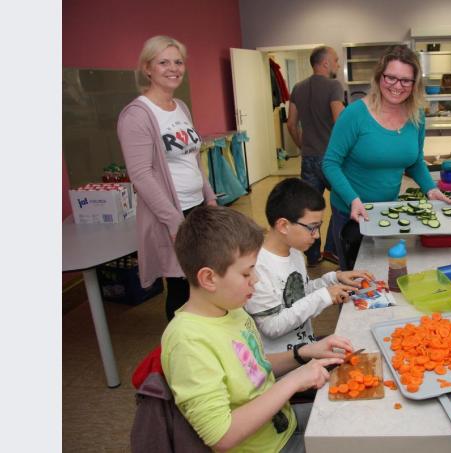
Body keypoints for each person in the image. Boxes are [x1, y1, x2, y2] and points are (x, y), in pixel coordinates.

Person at [161, 205, 353, 452]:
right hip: (267, 448)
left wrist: (306, 352)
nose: (257, 280)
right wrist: (292, 382)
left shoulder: (232, 309)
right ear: (209, 278)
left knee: (360, 419)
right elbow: (221, 436)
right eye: (246, 273)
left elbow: (254, 366)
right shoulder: (187, 341)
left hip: (283, 425)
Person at [322, 45, 451, 269]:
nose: (397, 86)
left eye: (405, 80)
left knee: (385, 271)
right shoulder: (354, 115)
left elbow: (415, 161)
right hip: (351, 212)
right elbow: (330, 163)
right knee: (356, 279)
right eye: (390, 77)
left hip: (387, 211)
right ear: (379, 76)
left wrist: (431, 189)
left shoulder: (416, 115)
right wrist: (353, 199)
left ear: (414, 83)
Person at [117, 35, 217, 322]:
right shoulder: (137, 115)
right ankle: (180, 351)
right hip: (172, 214)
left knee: (203, 281)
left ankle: (207, 339)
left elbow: (194, 158)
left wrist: (209, 198)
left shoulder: (180, 107)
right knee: (181, 286)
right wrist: (175, 222)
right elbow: (141, 175)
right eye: (163, 62)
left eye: (178, 62)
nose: (173, 68)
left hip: (197, 207)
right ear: (147, 68)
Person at [245, 178, 372, 354]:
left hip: (307, 347)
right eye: (312, 228)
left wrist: (333, 279)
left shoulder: (295, 251)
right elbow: (271, 327)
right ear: (283, 225)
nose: (317, 236)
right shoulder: (256, 268)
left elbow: (302, 294)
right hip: (283, 365)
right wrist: (323, 296)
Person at [286, 46, 345, 267]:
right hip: (331, 160)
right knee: (341, 204)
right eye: (336, 60)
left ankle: (312, 256)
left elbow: (291, 124)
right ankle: (331, 249)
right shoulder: (333, 86)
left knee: (310, 210)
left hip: (308, 158)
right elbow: (340, 122)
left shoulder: (298, 88)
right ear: (325, 63)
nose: (338, 65)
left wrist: (303, 144)